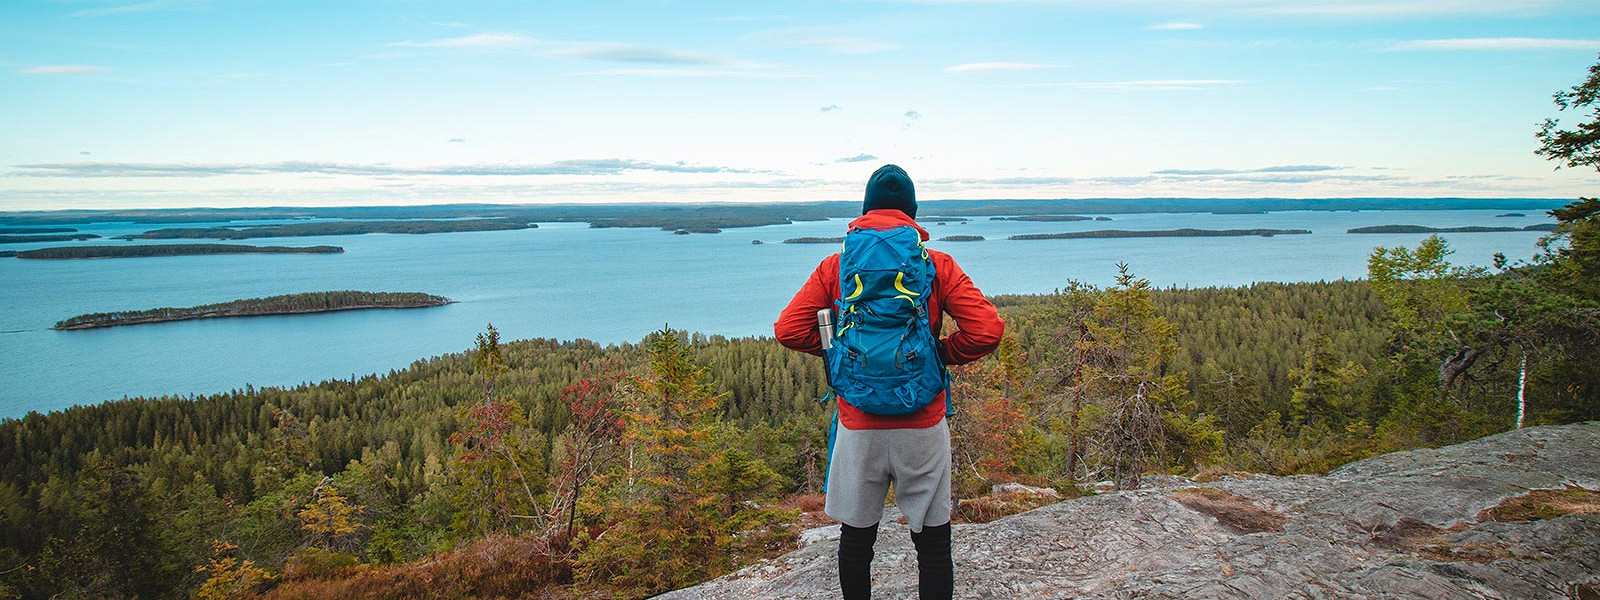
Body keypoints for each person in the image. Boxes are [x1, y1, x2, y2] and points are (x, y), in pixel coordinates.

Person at [774, 164, 1004, 600]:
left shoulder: (837, 266)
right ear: (912, 213)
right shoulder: (935, 264)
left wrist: (838, 354)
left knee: (857, 542)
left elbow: (788, 329)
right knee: (933, 543)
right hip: (922, 424)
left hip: (859, 426)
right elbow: (987, 331)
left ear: (864, 210)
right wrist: (939, 355)